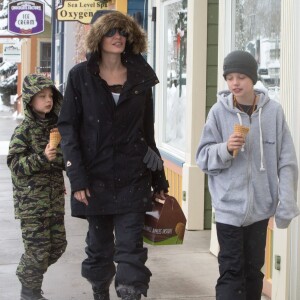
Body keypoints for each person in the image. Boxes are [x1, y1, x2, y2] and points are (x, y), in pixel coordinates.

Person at [57, 10, 169, 300]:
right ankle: (99, 291)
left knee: (131, 248)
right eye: (111, 31)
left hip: (133, 175)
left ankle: (130, 295)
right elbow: (68, 129)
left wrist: (159, 179)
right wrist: (77, 178)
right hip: (96, 178)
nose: (118, 36)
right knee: (99, 247)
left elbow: (147, 131)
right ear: (98, 37)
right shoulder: (79, 76)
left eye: (122, 31)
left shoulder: (141, 75)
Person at [196, 50, 300, 300]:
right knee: (231, 273)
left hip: (260, 211)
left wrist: (286, 203)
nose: (234, 83)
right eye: (229, 77)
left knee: (253, 273)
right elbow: (203, 158)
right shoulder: (218, 113)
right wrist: (225, 149)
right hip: (228, 210)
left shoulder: (273, 112)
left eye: (241, 77)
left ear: (252, 78)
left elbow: (287, 161)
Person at [7, 74, 67, 300]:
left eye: (50, 96)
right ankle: (30, 293)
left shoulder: (57, 129)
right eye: (42, 96)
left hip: (54, 202)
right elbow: (15, 164)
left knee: (58, 246)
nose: (48, 100)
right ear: (31, 100)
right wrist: (41, 158)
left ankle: (27, 275)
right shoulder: (24, 132)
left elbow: (63, 160)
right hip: (32, 205)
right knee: (38, 252)